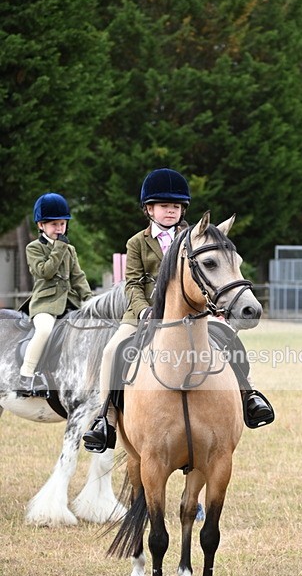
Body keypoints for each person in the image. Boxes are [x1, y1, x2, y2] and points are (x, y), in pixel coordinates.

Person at [83, 167, 274, 453]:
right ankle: (106, 418)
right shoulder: (136, 243)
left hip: (193, 313)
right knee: (113, 350)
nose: (170, 211)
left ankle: (248, 394)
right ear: (149, 209)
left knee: (231, 340)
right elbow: (132, 283)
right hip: (144, 313)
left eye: (175, 206)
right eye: (163, 206)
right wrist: (144, 310)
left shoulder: (194, 238)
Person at [18, 193, 92, 396]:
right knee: (44, 331)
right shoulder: (33, 248)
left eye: (62, 224)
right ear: (41, 225)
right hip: (45, 304)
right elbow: (45, 272)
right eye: (54, 225)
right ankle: (26, 376)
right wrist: (59, 248)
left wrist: (89, 300)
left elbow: (78, 277)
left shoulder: (70, 249)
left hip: (70, 303)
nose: (59, 229)